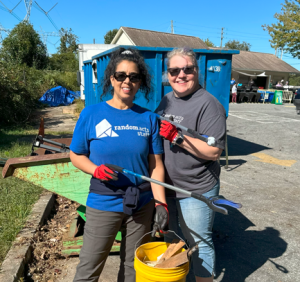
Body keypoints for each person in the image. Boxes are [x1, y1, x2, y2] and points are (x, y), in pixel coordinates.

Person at [70, 48, 168, 282]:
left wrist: (161, 203)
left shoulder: (149, 118)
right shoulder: (91, 114)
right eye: (121, 75)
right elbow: (75, 155)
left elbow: (156, 166)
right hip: (104, 201)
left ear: (140, 81)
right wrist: (95, 169)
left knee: (133, 267)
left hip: (141, 205)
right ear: (111, 78)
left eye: (134, 76)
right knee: (89, 267)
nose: (127, 81)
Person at [155, 47, 226, 282]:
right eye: (174, 70)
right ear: (168, 74)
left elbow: (214, 151)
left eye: (187, 69)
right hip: (168, 187)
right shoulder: (167, 100)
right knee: (173, 241)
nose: (181, 75)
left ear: (196, 70)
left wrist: (178, 138)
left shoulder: (209, 104)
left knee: (199, 244)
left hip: (195, 188)